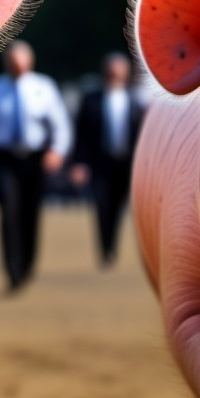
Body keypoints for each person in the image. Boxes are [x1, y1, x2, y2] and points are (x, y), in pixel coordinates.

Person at [0, 40, 73, 292]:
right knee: (8, 211)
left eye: (21, 61)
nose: (17, 66)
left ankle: (27, 265)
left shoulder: (44, 88)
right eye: (13, 62)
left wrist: (57, 151)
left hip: (35, 158)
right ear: (7, 64)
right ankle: (12, 270)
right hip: (3, 157)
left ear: (29, 62)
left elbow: (60, 123)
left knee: (30, 213)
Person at [68, 51, 146, 267]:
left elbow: (142, 134)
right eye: (111, 71)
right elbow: (81, 135)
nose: (114, 74)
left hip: (126, 164)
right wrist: (78, 163)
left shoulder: (135, 100)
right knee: (102, 206)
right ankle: (105, 249)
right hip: (100, 163)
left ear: (126, 73)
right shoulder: (91, 99)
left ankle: (113, 245)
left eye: (118, 71)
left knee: (119, 206)